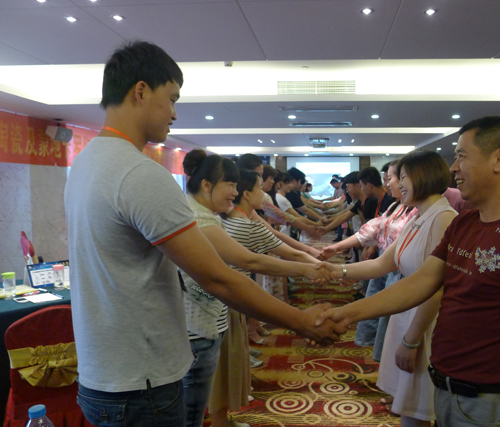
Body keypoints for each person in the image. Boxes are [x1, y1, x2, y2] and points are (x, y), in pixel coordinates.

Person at [64, 41, 343, 426]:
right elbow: (217, 276)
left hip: (103, 372)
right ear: (141, 91)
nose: (175, 113)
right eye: (172, 99)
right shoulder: (139, 174)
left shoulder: (84, 163)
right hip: (142, 379)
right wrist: (301, 321)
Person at [317, 116, 500, 427]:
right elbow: (422, 281)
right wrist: (346, 314)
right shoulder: (465, 223)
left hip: (490, 400)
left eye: (461, 156)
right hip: (445, 386)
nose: (453, 168)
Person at [179, 151, 331, 427]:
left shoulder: (210, 215)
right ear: (206, 185)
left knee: (209, 389)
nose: (235, 192)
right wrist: (307, 271)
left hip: (212, 315)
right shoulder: (201, 220)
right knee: (194, 407)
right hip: (199, 323)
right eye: (231, 185)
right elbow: (250, 261)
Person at [316, 151, 457, 427]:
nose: (397, 184)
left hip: (424, 321)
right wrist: (334, 270)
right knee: (409, 405)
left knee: (419, 406)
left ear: (423, 177)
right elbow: (382, 263)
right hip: (405, 310)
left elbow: (436, 288)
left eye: (402, 177)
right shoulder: (418, 216)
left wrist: (412, 340)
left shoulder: (444, 218)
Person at [321, 161, 418, 361]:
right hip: (386, 269)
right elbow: (371, 230)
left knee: (393, 327)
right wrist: (336, 249)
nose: (388, 184)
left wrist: (345, 270)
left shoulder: (419, 211)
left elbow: (387, 258)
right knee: (382, 323)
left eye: (390, 178)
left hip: (399, 273)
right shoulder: (396, 206)